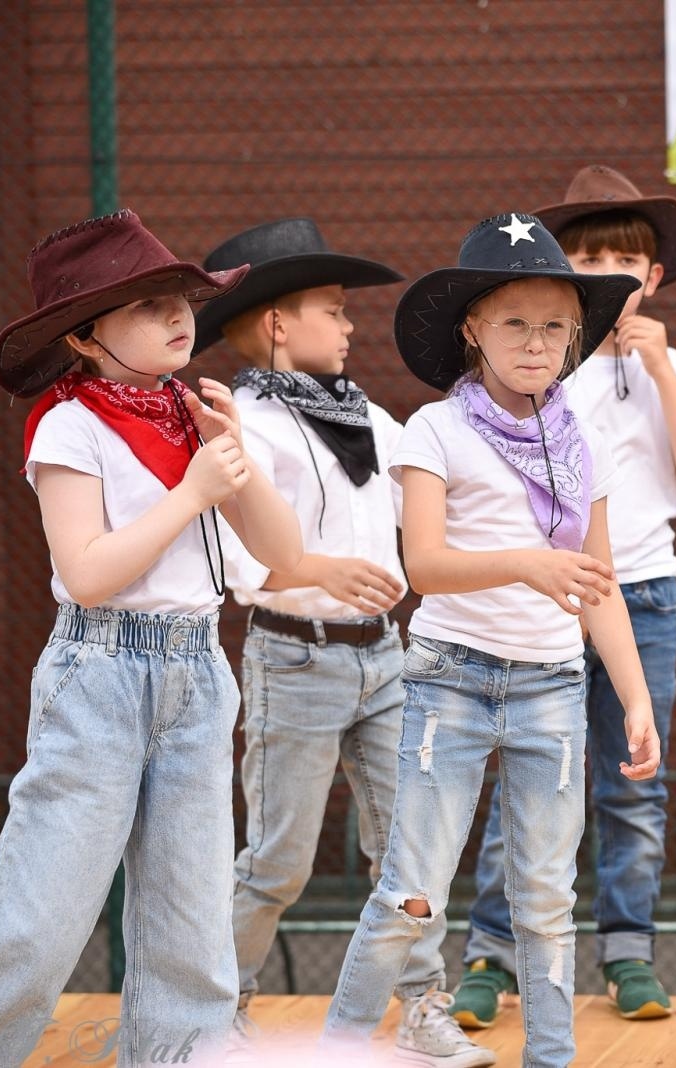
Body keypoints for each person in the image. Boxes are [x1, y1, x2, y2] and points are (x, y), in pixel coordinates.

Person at [0, 209, 302, 1067]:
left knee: (192, 934)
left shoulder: (197, 416)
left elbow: (282, 560)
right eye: (148, 306)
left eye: (180, 299)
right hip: (101, 671)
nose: (179, 316)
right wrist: (196, 490)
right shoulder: (69, 424)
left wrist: (235, 457)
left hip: (197, 671)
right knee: (38, 926)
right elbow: (89, 573)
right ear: (87, 338)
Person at [321, 213, 660, 1068]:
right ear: (472, 328)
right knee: (412, 894)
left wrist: (635, 698)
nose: (537, 343)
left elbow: (600, 586)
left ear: (577, 335)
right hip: (450, 682)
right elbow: (426, 566)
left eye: (555, 326)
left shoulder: (589, 445)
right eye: (515, 323)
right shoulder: (435, 429)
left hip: (552, 688)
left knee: (547, 898)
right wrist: (530, 565)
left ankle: (552, 1057)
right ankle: (337, 1051)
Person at [193, 218, 490, 1065]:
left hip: (385, 659)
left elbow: (428, 497)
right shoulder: (239, 423)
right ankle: (222, 1006)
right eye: (333, 308)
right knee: (278, 863)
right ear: (280, 323)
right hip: (295, 656)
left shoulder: (369, 416)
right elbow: (242, 559)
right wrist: (320, 572)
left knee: (409, 846)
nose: (352, 324)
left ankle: (422, 1007)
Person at [451, 167, 676, 1028]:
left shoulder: (666, 359)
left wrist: (660, 369)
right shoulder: (540, 364)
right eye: (591, 253)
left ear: (653, 277)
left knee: (633, 779)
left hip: (644, 594)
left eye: (627, 256)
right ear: (564, 270)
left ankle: (628, 953)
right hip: (547, 596)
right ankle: (493, 955)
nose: (610, 267)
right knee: (528, 775)